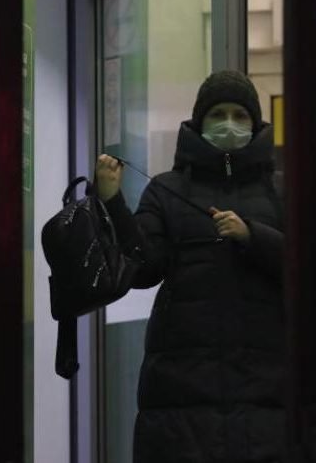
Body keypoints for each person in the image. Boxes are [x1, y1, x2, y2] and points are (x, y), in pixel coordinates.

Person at [96, 70, 285, 463]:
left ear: (256, 123)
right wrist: (113, 203)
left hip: (268, 388)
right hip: (182, 391)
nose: (229, 123)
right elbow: (143, 268)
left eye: (240, 115)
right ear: (200, 122)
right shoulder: (167, 189)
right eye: (218, 114)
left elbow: (312, 267)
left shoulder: (281, 190)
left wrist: (252, 236)